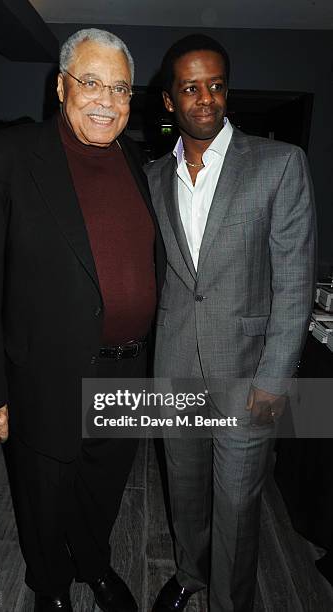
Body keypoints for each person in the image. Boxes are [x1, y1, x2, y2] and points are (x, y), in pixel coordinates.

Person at [0, 28, 165, 612]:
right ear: (60, 87)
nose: (106, 100)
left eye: (120, 88)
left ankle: (94, 566)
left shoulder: (135, 160)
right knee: (44, 497)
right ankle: (49, 586)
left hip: (130, 370)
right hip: (45, 375)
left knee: (103, 490)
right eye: (90, 82)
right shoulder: (7, 157)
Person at [145, 34, 316, 612]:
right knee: (185, 494)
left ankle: (228, 601)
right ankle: (192, 575)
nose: (205, 98)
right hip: (174, 369)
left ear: (227, 91)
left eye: (215, 85)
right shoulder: (149, 179)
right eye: (190, 87)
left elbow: (294, 283)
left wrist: (276, 382)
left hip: (248, 377)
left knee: (239, 507)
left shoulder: (279, 164)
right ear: (168, 100)